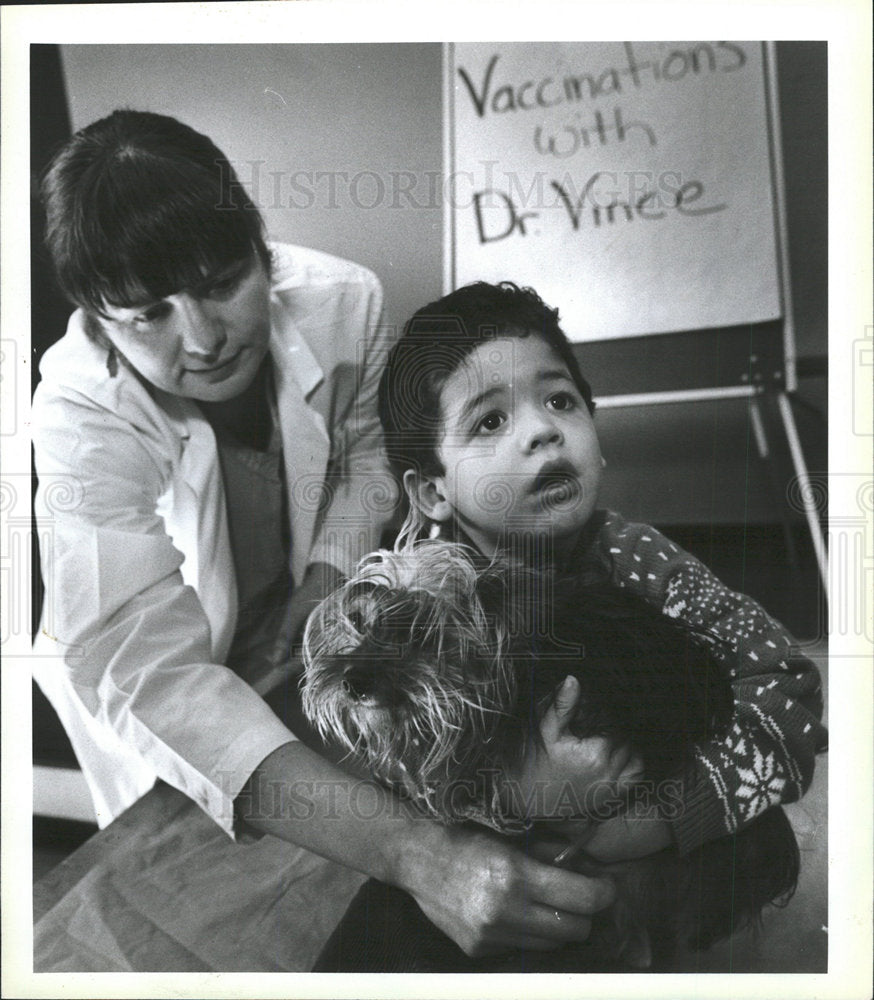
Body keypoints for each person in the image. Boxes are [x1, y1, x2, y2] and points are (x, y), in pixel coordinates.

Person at [31, 110, 621, 959]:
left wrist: (324, 582)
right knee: (189, 874)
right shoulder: (76, 410)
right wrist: (416, 855)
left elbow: (369, 456)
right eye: (147, 314)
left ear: (262, 250)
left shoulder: (346, 303)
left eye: (222, 282)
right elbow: (150, 669)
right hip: (163, 656)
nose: (203, 338)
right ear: (96, 319)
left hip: (298, 604)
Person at [375, 280, 827, 862]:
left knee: (762, 850)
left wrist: (662, 818)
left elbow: (789, 684)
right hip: (491, 859)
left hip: (648, 826)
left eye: (560, 401)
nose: (543, 430)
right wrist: (520, 794)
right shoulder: (416, 608)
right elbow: (394, 760)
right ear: (433, 492)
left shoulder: (643, 564)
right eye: (489, 422)